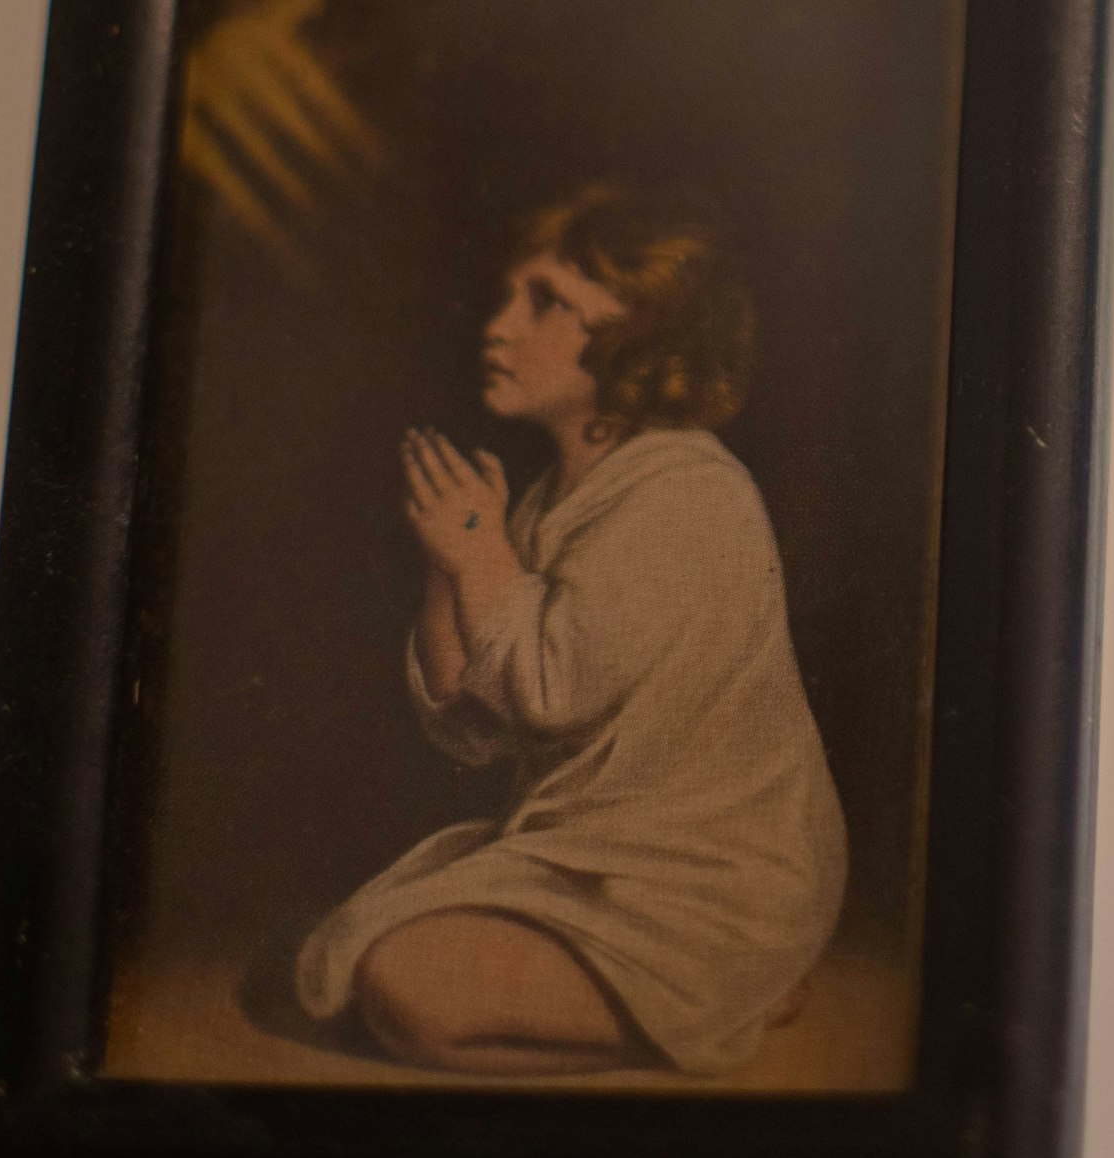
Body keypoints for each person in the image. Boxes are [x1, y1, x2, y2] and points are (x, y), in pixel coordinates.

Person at [293, 186, 847, 1075]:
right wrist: (451, 561)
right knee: (351, 967)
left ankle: (720, 996)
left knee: (406, 988)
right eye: (510, 295)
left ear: (641, 335)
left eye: (545, 302)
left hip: (707, 878)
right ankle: (702, 1001)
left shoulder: (687, 493)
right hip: (591, 857)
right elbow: (473, 730)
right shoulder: (557, 497)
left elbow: (552, 693)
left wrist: (480, 561)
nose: (499, 324)